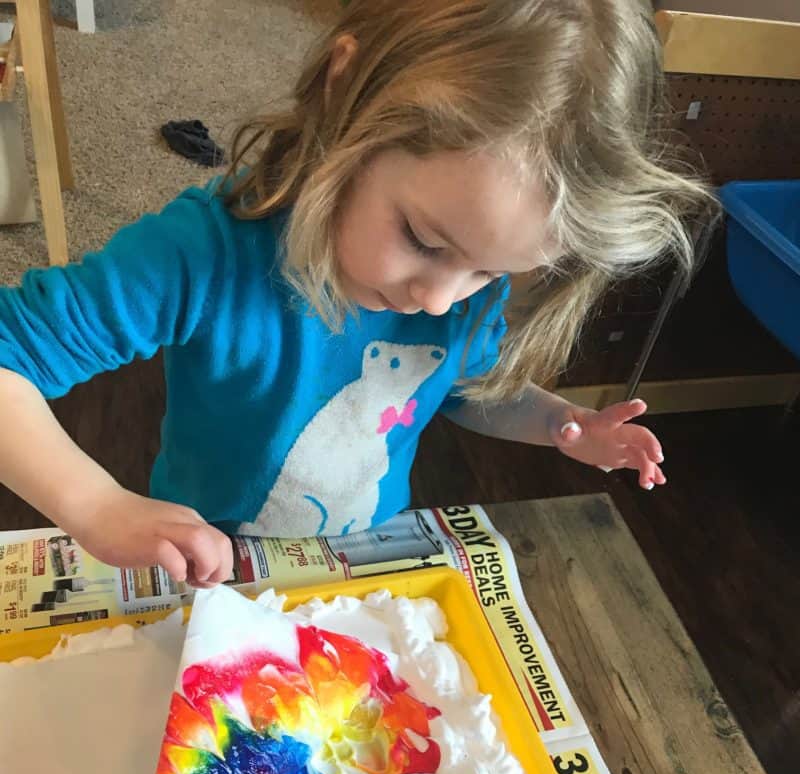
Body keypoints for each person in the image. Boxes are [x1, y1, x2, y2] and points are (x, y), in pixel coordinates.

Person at [0, 0, 713, 588]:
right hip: (205, 565)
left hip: (358, 563)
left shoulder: (459, 282)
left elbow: (466, 387)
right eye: (425, 241)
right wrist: (95, 504)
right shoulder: (206, 253)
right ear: (349, 96)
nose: (441, 298)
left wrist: (565, 425)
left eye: (490, 273)